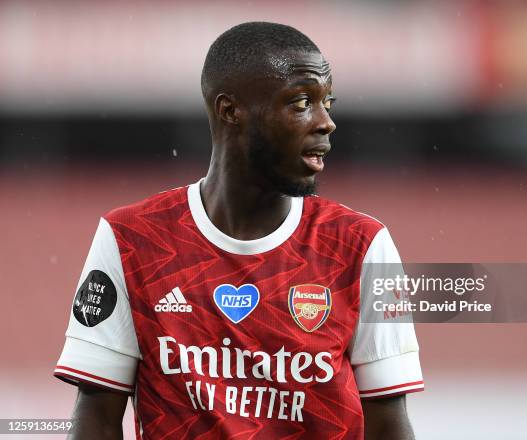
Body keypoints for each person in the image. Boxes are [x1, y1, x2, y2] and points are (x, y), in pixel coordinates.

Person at [54, 22, 424, 439]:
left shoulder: (362, 245)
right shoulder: (130, 240)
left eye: (327, 103)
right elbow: (97, 420)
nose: (326, 122)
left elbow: (389, 426)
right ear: (230, 110)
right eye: (302, 102)